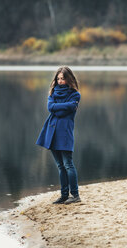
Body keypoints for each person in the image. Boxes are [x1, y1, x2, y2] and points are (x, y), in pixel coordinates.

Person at [36, 66, 81, 204]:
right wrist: (64, 106)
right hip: (52, 132)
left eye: (63, 78)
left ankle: (75, 195)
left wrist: (58, 108)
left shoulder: (75, 95)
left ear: (69, 79)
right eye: (58, 78)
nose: (60, 81)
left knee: (68, 164)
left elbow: (61, 111)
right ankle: (63, 195)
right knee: (60, 166)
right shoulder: (52, 93)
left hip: (65, 132)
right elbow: (51, 108)